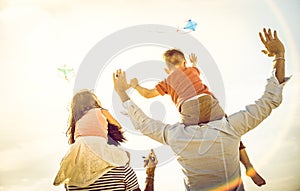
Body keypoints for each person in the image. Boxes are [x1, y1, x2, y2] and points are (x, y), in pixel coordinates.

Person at [113, 28, 288, 190]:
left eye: (178, 63)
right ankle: (248, 165)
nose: (177, 67)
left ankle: (248, 166)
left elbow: (146, 112)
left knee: (233, 132)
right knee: (234, 132)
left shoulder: (177, 79)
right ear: (175, 66)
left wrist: (129, 90)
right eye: (176, 64)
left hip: (197, 112)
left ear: (176, 66)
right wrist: (279, 56)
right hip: (205, 110)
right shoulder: (181, 75)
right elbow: (268, 101)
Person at [129, 49, 265, 186]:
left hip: (189, 109)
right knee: (231, 131)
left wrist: (136, 85)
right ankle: (248, 166)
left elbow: (148, 94)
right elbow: (192, 68)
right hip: (209, 103)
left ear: (167, 68)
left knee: (189, 142)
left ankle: (202, 173)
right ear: (184, 62)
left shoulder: (168, 80)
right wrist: (193, 63)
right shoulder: (192, 70)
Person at [53, 90, 158, 191]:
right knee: (125, 156)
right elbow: (117, 124)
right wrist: (150, 173)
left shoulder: (72, 182)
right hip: (98, 144)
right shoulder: (101, 111)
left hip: (79, 147)